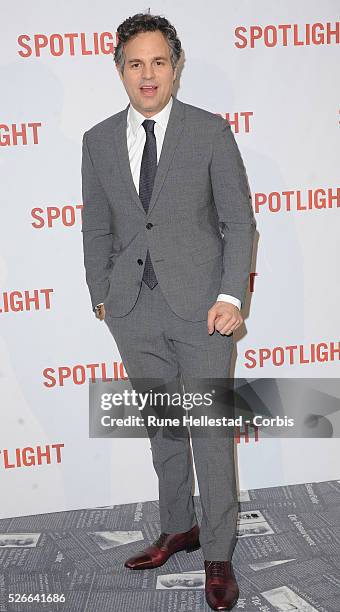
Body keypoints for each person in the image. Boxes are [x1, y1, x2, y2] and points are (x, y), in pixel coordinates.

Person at [81, 12, 256, 611]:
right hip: (133, 310)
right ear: (120, 71)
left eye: (159, 62)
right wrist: (101, 296)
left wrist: (232, 298)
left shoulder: (210, 132)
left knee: (209, 434)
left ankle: (218, 554)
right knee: (164, 430)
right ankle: (178, 527)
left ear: (175, 67)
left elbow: (239, 222)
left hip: (204, 312)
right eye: (136, 63)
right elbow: (97, 226)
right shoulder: (98, 141)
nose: (148, 74)